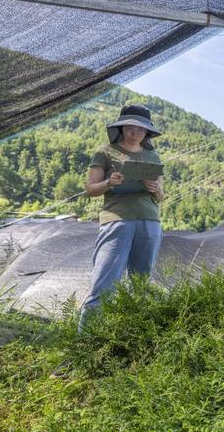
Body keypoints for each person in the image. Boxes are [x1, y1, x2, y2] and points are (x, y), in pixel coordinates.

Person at [79, 104, 165, 329]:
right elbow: (90, 188)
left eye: (140, 129)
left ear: (147, 132)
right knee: (105, 282)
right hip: (117, 220)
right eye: (130, 127)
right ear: (122, 128)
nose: (135, 133)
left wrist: (154, 187)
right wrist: (109, 182)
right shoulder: (105, 152)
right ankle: (85, 343)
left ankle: (130, 339)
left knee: (141, 284)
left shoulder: (152, 156)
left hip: (149, 221)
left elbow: (161, 197)